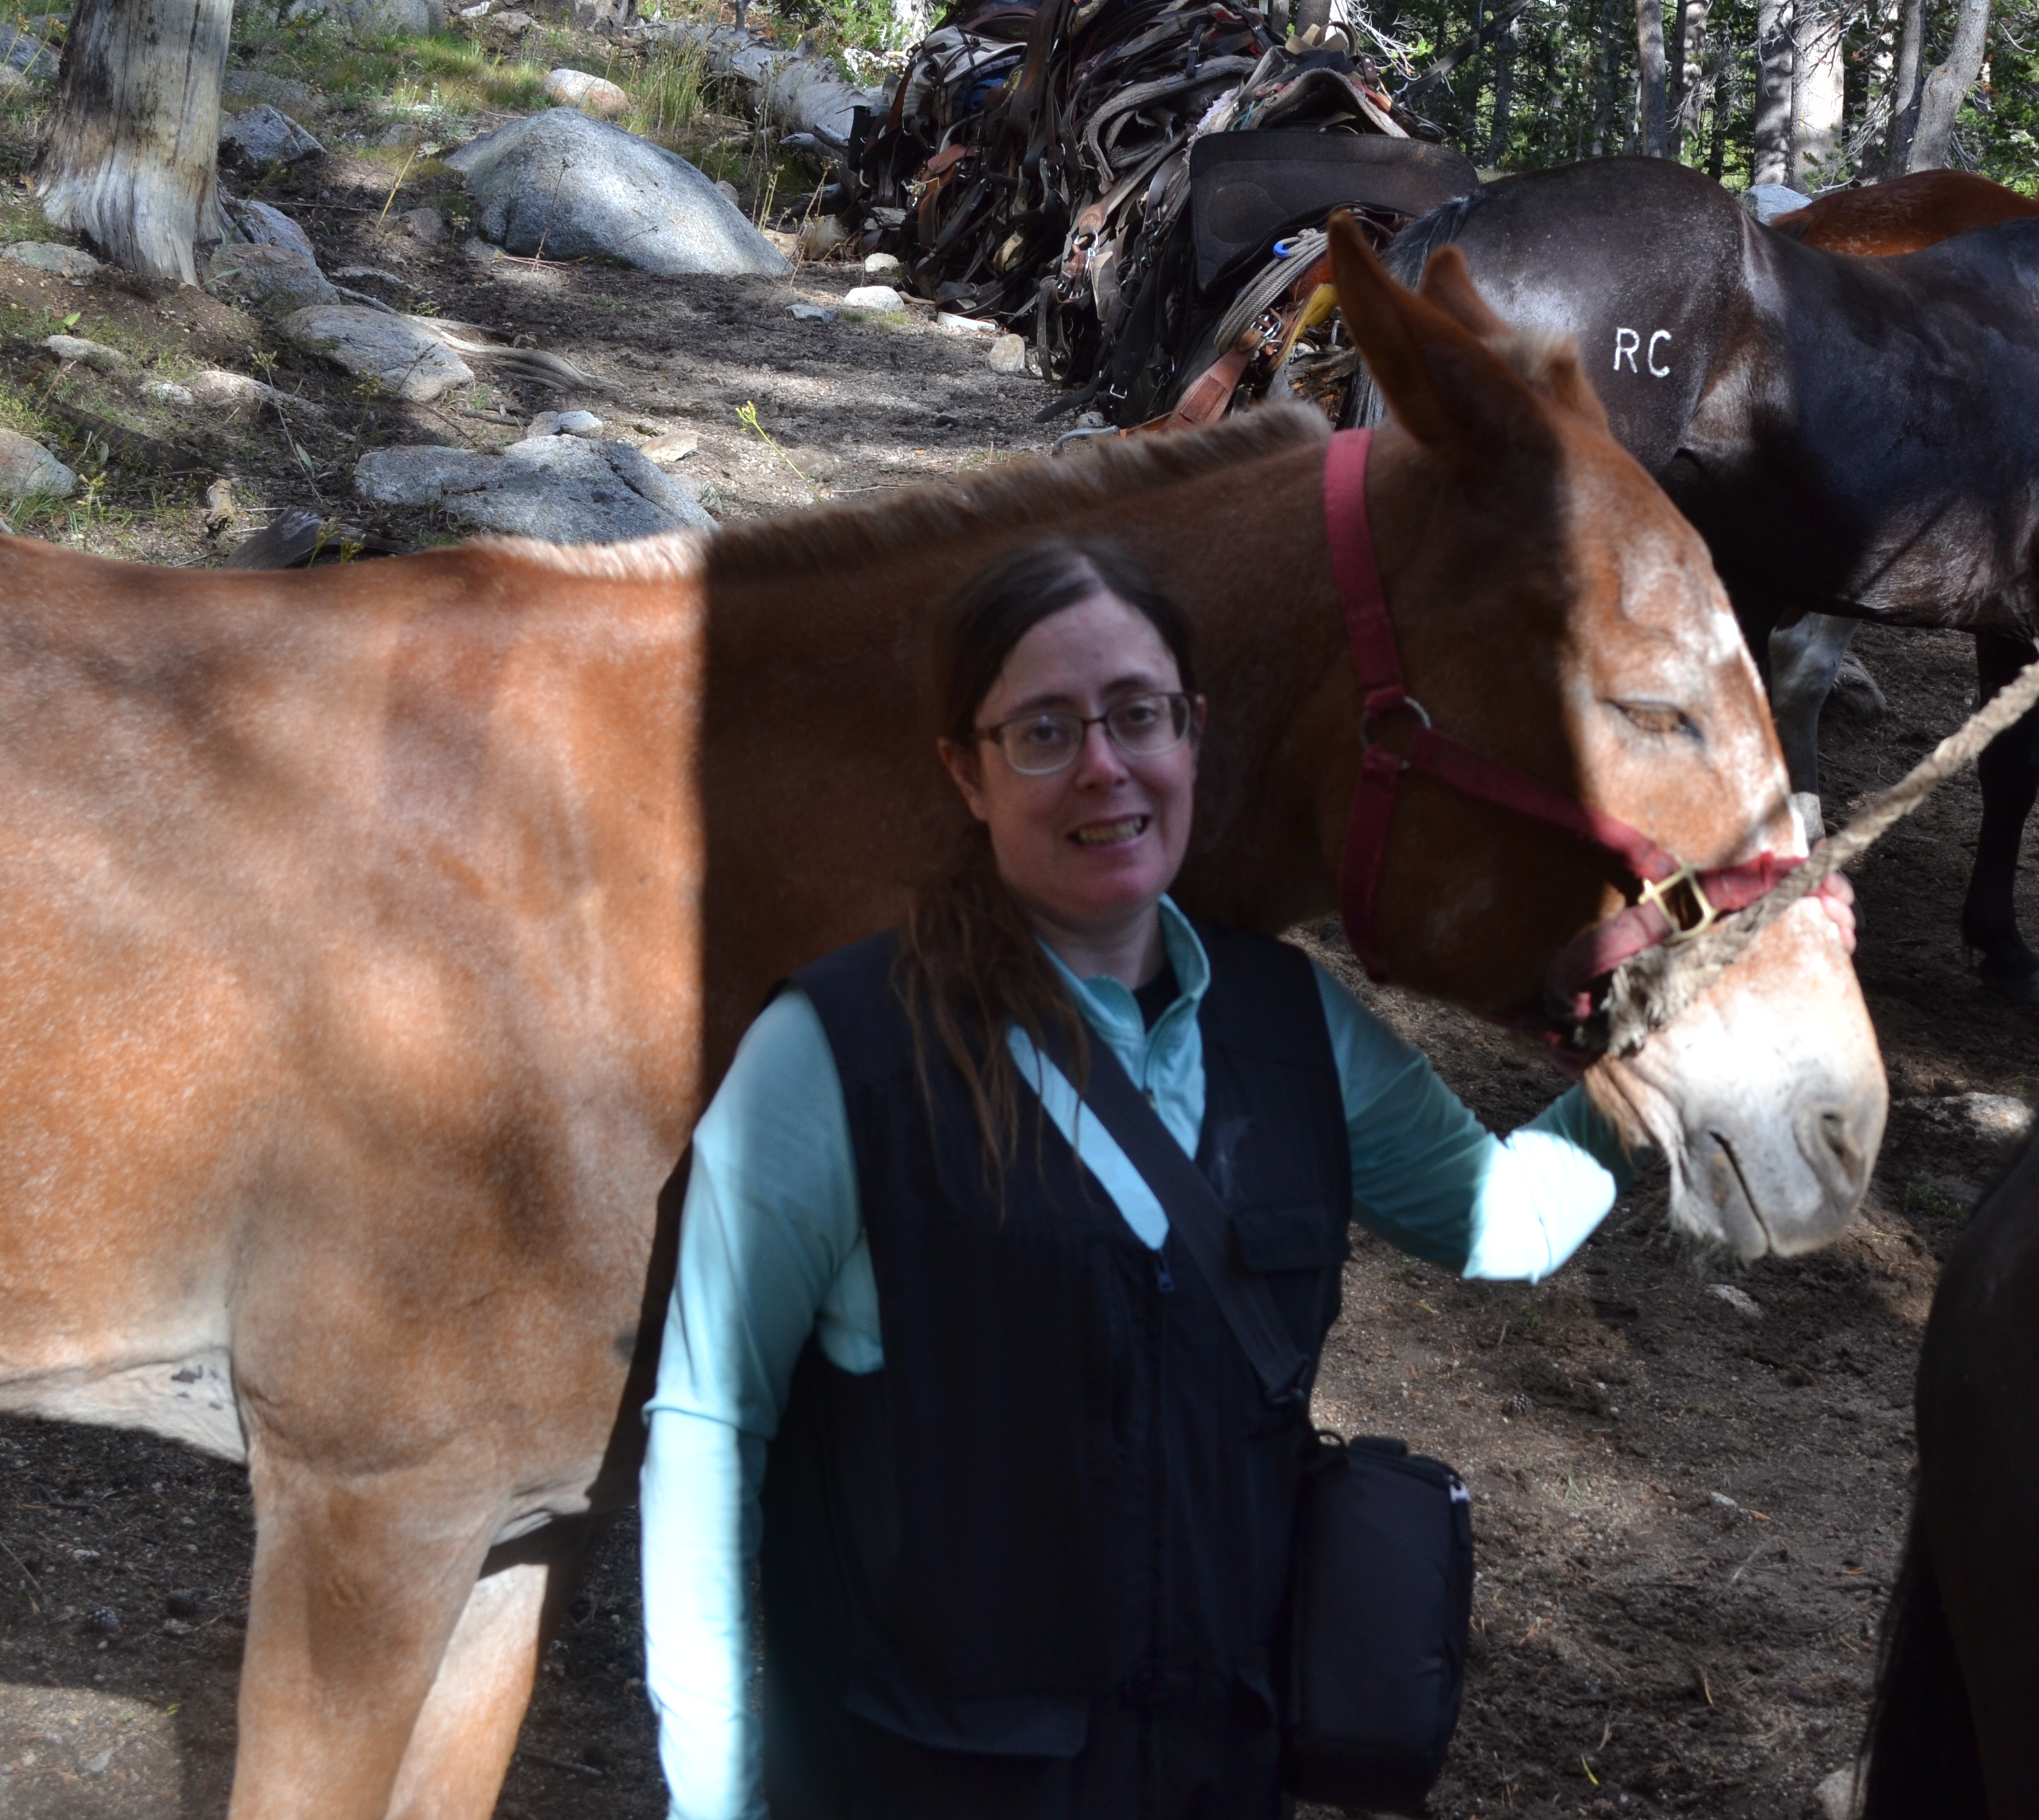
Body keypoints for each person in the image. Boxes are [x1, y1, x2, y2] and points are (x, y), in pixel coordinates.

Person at [639, 537, 1851, 1820]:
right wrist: (715, 1798)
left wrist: (1676, 1013)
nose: (1105, 766)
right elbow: (710, 1432)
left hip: (1218, 1778)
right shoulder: (838, 1056)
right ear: (967, 772)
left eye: (1136, 717)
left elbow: (1507, 1219)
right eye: (1043, 732)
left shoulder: (1295, 1027)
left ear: (1193, 735)